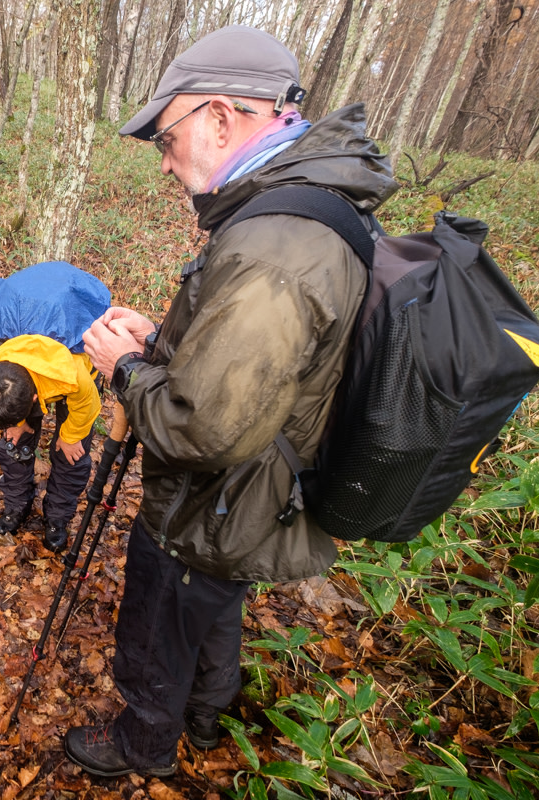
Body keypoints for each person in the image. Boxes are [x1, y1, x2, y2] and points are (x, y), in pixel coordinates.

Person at [68, 25, 398, 777]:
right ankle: (208, 717)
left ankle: (141, 747)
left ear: (220, 118)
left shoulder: (277, 246)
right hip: (257, 494)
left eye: (166, 136)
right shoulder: (303, 203)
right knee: (211, 609)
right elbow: (263, 364)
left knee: (161, 619)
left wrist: (123, 368)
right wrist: (163, 342)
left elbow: (202, 427)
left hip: (214, 501)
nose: (163, 160)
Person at [0, 262, 108, 553]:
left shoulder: (71, 373)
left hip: (68, 348)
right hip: (25, 326)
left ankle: (57, 518)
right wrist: (14, 425)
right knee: (12, 445)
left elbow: (88, 402)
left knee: (72, 455)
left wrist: (69, 437)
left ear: (34, 400)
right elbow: (1, 405)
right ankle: (17, 505)